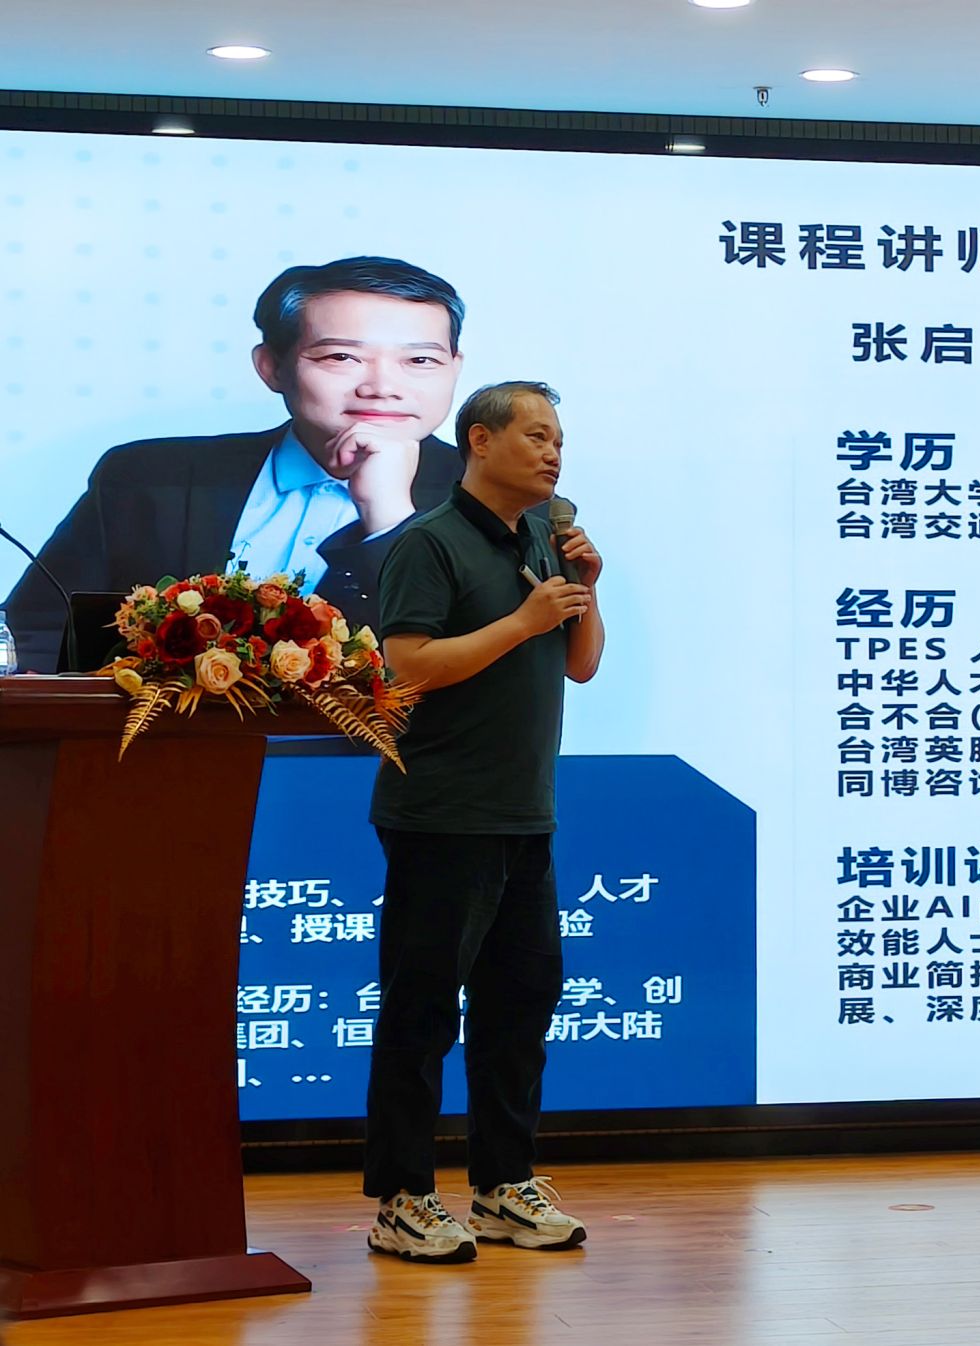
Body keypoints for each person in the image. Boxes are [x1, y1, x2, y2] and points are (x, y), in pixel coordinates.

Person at [360, 380, 605, 1264]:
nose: (553, 452)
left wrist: (585, 591)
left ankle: (504, 1186)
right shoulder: (429, 543)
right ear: (479, 440)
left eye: (558, 439)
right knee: (423, 1012)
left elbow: (580, 665)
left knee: (520, 1004)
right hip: (441, 813)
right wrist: (523, 620)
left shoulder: (544, 539)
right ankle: (402, 1198)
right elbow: (408, 665)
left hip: (523, 810)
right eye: (535, 435)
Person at [1, 256, 466, 671]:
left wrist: (389, 521)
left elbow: (465, 670)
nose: (382, 387)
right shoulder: (146, 478)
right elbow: (35, 632)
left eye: (420, 360)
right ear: (271, 367)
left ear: (455, 368)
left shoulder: (494, 498)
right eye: (342, 356)